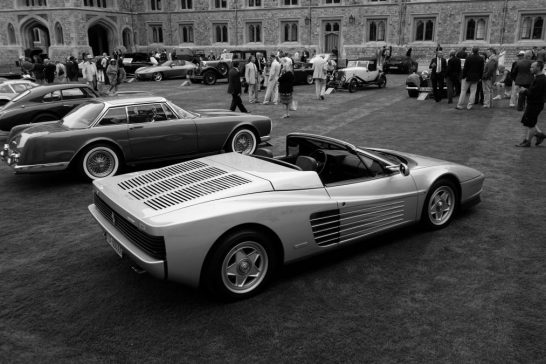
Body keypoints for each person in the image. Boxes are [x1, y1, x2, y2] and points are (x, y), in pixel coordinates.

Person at [515, 61, 546, 147]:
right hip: (534, 103)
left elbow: (533, 94)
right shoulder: (538, 78)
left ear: (539, 68)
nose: (530, 69)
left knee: (530, 124)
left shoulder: (541, 79)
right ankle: (540, 134)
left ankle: (527, 141)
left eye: (532, 67)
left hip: (535, 104)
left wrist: (524, 91)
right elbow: (533, 91)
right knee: (528, 121)